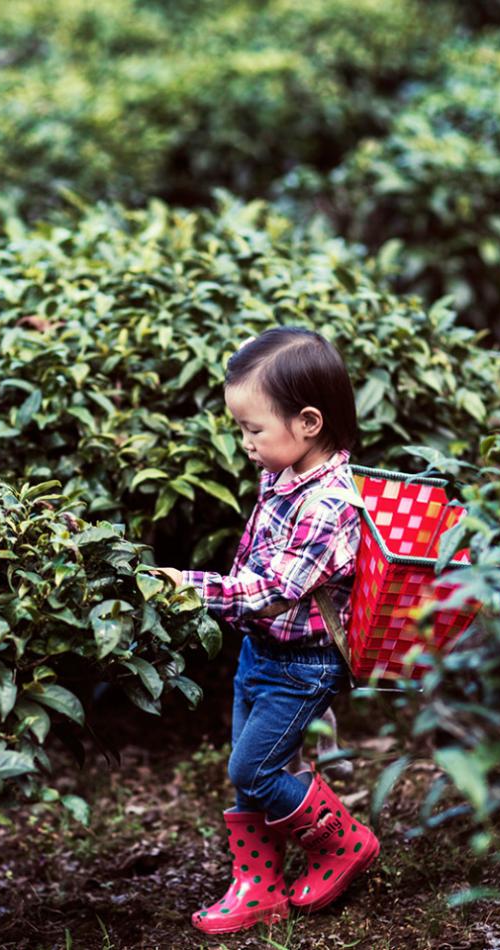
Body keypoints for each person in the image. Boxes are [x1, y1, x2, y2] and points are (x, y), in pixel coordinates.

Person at [155, 327, 380, 935]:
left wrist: (191, 587)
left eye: (254, 429)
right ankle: (258, 886)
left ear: (308, 422)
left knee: (253, 770)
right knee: (252, 771)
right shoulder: (284, 473)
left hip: (303, 665)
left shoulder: (330, 504)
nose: (246, 442)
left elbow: (276, 587)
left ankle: (344, 842)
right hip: (263, 652)